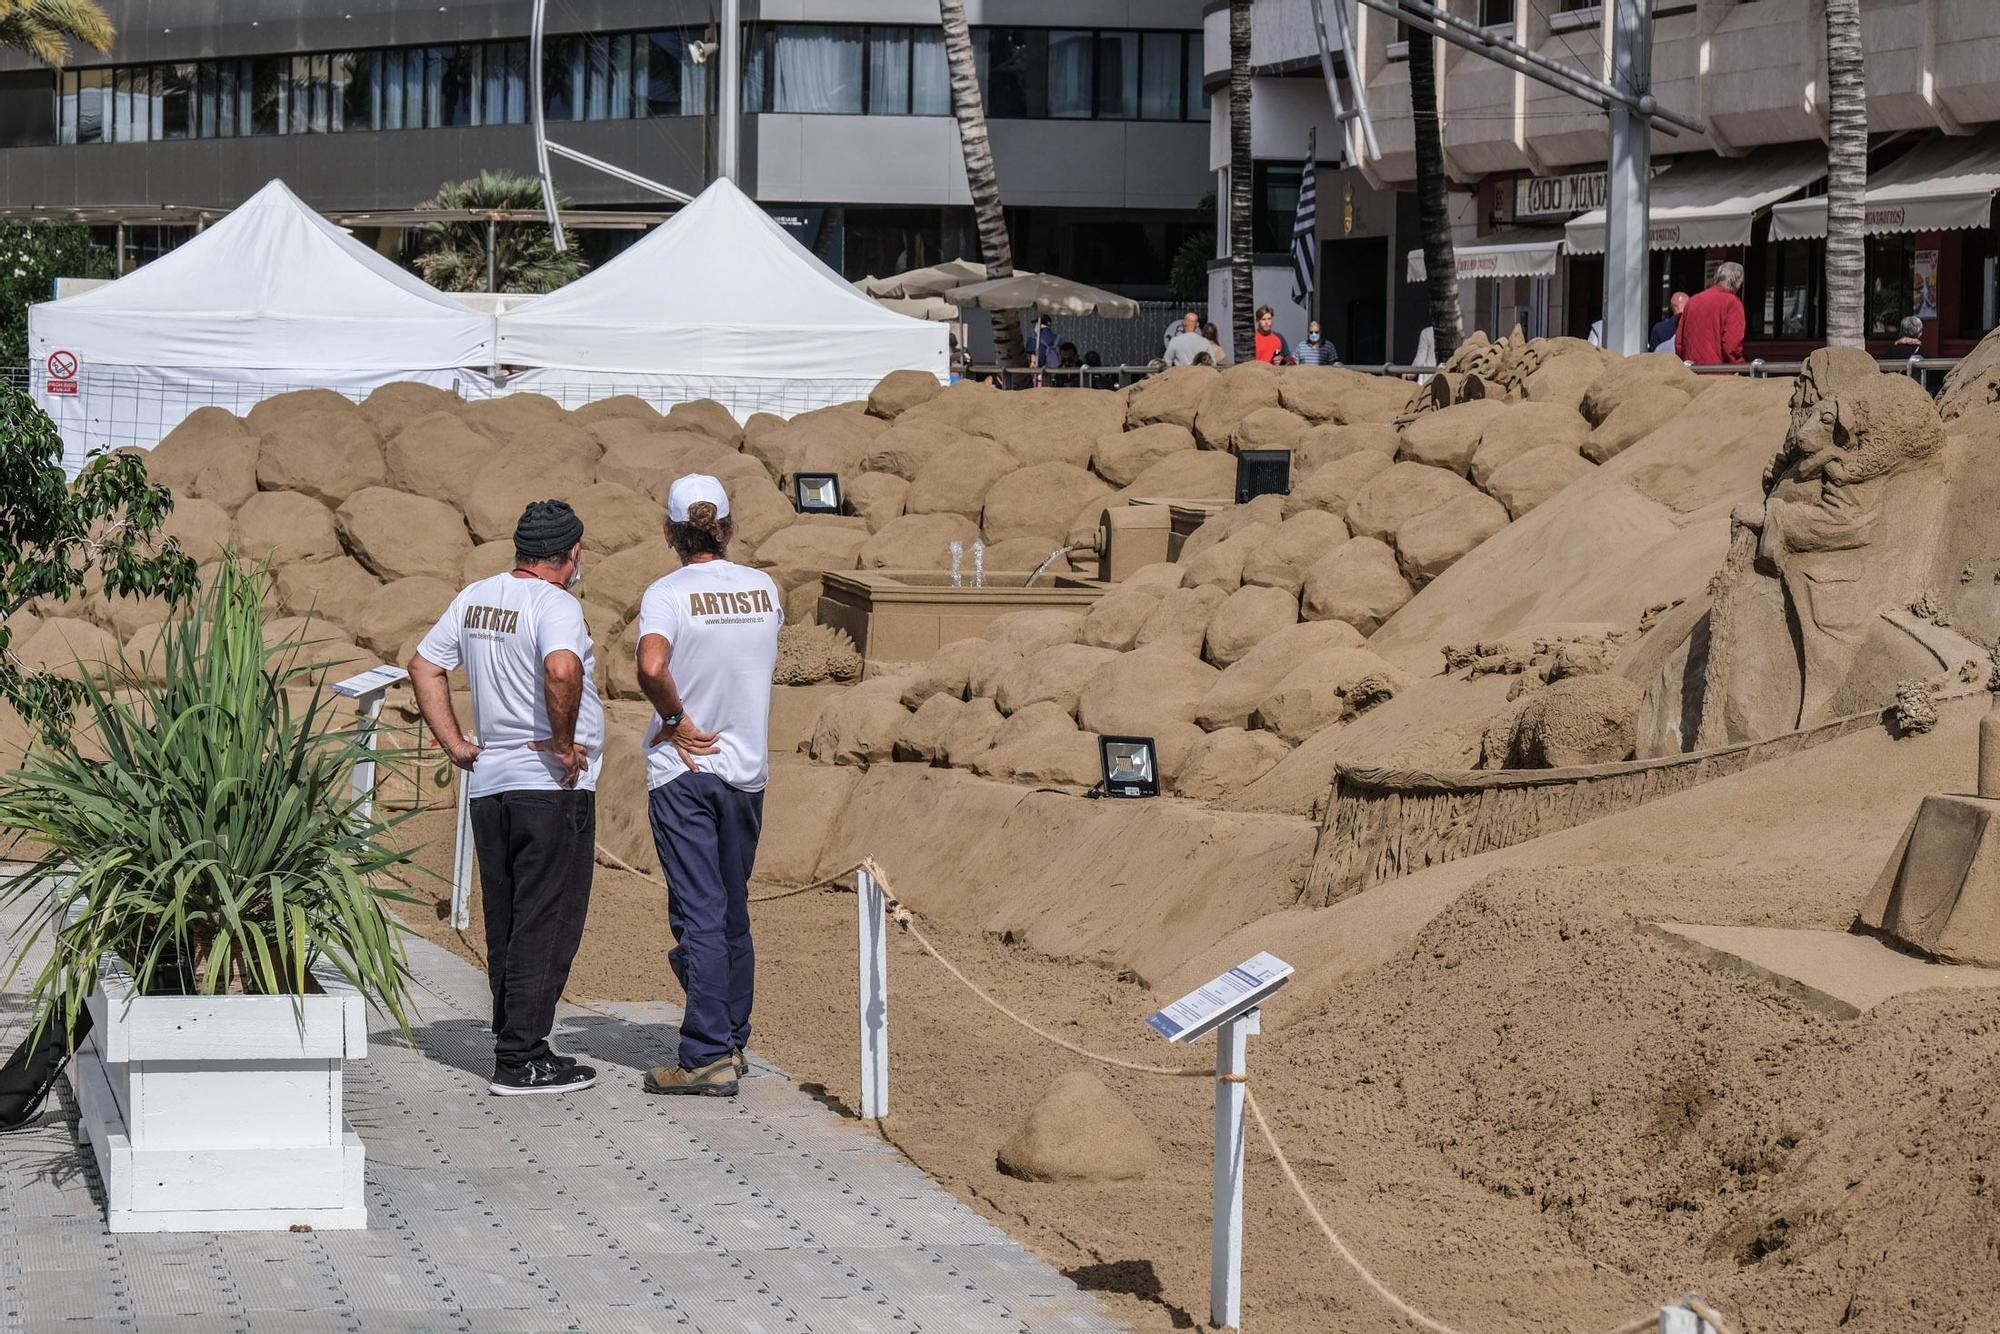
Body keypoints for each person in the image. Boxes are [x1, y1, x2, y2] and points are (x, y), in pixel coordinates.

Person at [410, 499, 604, 1097]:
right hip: (548, 784)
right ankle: (522, 1058)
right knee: (547, 921)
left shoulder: (475, 597)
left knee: (509, 918)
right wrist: (568, 745)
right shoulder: (556, 604)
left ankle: (513, 1039)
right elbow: (563, 671)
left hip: (491, 781)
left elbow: (423, 666)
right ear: (570, 555)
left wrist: (455, 744)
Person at [636, 476, 784, 1098]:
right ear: (727, 526)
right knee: (729, 908)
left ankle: (704, 1054)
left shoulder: (666, 593)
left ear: (670, 531)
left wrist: (675, 720)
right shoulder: (764, 588)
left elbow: (650, 664)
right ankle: (732, 1036)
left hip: (686, 770)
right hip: (746, 771)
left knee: (697, 912)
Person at [1676, 262, 1747, 366]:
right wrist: (1740, 365)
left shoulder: (1692, 301)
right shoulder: (1733, 303)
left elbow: (1679, 343)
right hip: (1718, 373)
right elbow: (1731, 347)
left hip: (1691, 372)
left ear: (1717, 278)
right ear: (1738, 282)